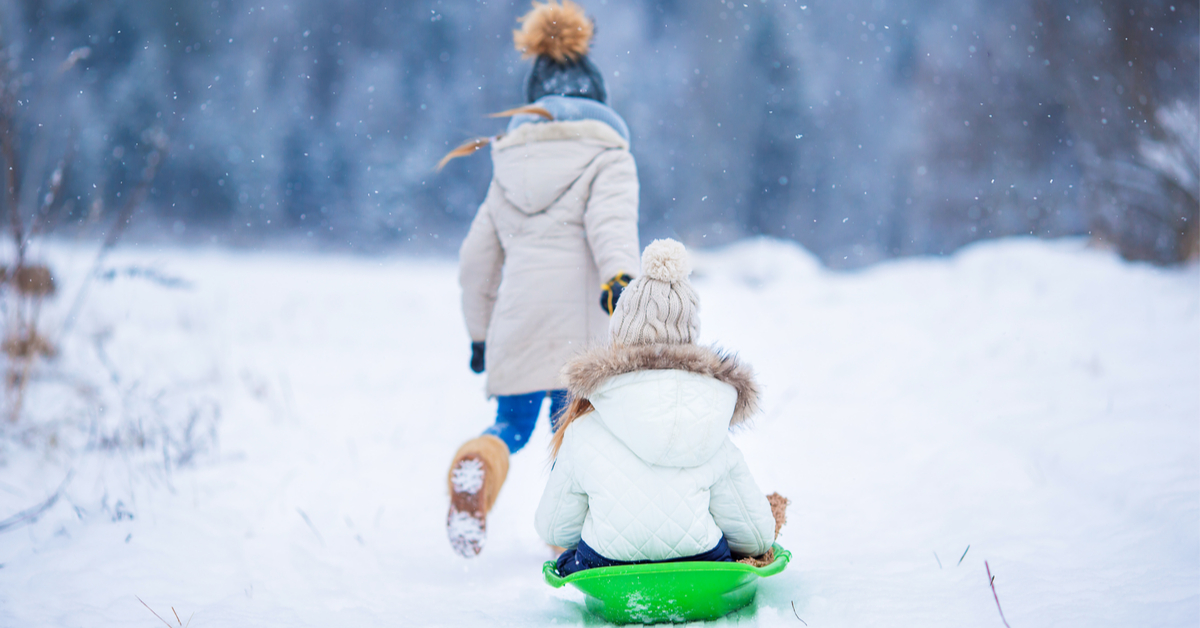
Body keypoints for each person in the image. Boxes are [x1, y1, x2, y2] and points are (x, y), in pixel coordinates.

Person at [442, 0, 641, 558]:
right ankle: (572, 541)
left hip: (518, 323)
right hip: (581, 328)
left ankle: (480, 461)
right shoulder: (609, 156)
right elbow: (612, 226)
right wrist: (620, 278)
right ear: (598, 100)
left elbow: (475, 263)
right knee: (575, 434)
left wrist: (480, 336)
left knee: (511, 427)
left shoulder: (507, 162)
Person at [535, 239, 777, 575]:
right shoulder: (712, 422)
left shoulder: (583, 428)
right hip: (699, 566)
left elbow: (554, 530)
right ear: (689, 338)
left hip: (608, 567)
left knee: (569, 558)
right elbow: (756, 535)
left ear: (620, 334)